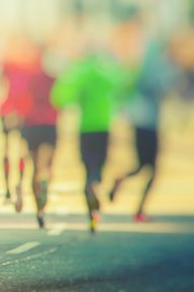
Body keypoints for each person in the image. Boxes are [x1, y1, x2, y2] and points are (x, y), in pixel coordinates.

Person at [51, 47, 129, 234]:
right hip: (104, 126)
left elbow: (61, 98)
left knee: (87, 169)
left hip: (85, 128)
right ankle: (96, 192)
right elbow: (123, 89)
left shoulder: (80, 74)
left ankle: (91, 214)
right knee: (98, 167)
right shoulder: (105, 73)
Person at [109, 37, 177, 222]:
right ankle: (139, 210)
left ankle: (122, 181)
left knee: (142, 167)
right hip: (148, 124)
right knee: (151, 170)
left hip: (141, 123)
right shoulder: (153, 69)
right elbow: (159, 88)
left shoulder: (142, 67)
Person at [20, 48, 58, 229]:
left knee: (33, 168)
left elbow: (22, 100)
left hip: (31, 124)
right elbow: (61, 101)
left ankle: (39, 211)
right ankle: (45, 180)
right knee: (46, 166)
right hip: (49, 124)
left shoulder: (29, 79)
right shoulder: (53, 79)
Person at [0, 42, 35, 212]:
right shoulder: (32, 65)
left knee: (5, 151)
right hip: (24, 110)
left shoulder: (7, 63)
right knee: (21, 151)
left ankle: (7, 190)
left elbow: (1, 84)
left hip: (7, 108)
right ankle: (18, 184)